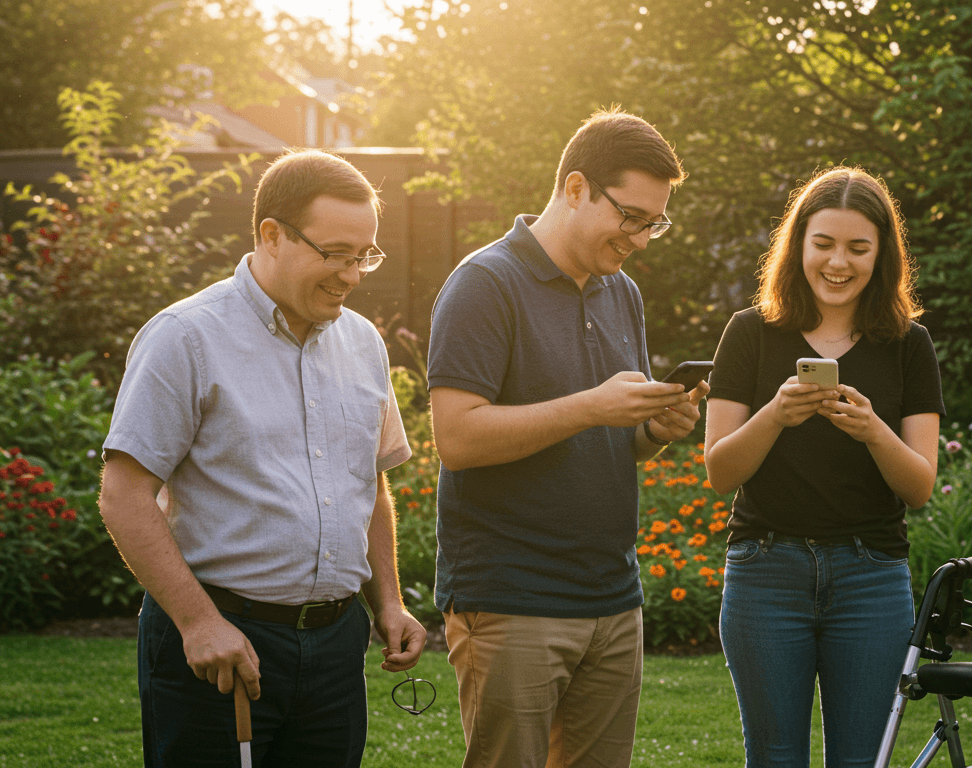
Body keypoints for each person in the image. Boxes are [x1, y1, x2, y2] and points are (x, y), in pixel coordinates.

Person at [99, 149, 427, 767]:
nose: (353, 275)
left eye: (364, 256)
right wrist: (198, 624)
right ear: (271, 235)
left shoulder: (363, 343)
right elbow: (123, 495)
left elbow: (371, 484)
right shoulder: (184, 337)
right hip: (220, 642)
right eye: (335, 254)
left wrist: (388, 601)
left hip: (335, 647)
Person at [426, 109, 704, 767]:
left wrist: (656, 430)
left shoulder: (621, 292)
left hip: (613, 597)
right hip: (512, 598)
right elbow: (458, 438)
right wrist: (589, 408)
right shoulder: (484, 283)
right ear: (576, 188)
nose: (639, 238)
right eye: (631, 217)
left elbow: (615, 436)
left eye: (654, 223)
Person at [703, 166, 943, 767]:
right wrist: (775, 415)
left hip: (870, 578)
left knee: (861, 760)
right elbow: (720, 471)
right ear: (799, 245)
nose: (839, 263)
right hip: (765, 572)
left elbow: (918, 486)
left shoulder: (909, 345)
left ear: (881, 255)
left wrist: (871, 430)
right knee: (776, 757)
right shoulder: (750, 333)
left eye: (858, 248)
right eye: (824, 244)